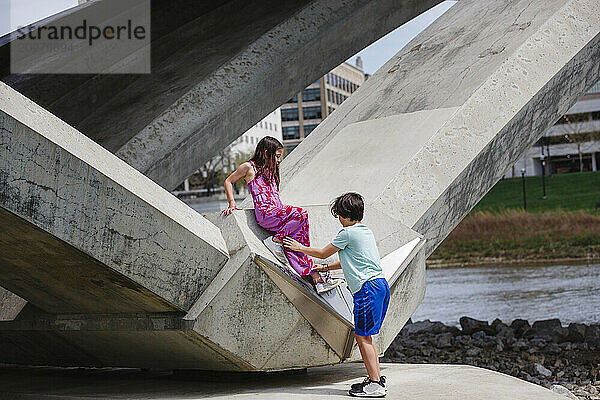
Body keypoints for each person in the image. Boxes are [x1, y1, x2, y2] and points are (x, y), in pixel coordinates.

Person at [283, 192, 389, 398]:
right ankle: (375, 378)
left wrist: (299, 248)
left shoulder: (347, 233)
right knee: (366, 336)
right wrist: (324, 269)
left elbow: (323, 252)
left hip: (367, 289)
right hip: (380, 285)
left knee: (362, 336)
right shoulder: (365, 232)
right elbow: (348, 261)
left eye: (339, 214)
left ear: (346, 214)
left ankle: (376, 385)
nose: (338, 219)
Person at [221, 136, 340, 295]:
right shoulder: (249, 167)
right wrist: (232, 204)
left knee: (297, 241)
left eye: (280, 156)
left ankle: (315, 277)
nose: (279, 160)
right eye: (277, 156)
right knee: (301, 213)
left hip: (279, 213)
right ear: (265, 152)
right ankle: (275, 240)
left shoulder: (271, 170)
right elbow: (228, 181)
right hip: (266, 214)